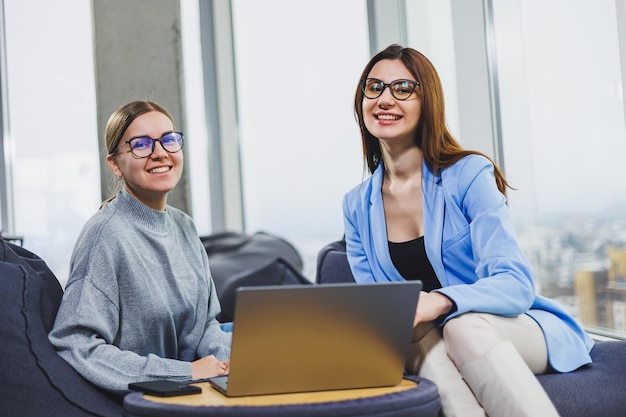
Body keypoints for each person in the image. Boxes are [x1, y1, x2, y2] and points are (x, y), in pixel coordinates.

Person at [342, 44, 594, 417]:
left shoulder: (468, 175)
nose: (384, 99)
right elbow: (383, 310)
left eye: (403, 88)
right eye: (374, 87)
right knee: (420, 340)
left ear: (428, 101)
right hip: (428, 339)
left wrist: (440, 301)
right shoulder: (355, 206)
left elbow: (515, 283)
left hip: (508, 327)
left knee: (462, 327)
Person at [49, 100, 231, 394]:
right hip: (146, 401)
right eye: (141, 145)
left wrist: (225, 362)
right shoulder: (105, 235)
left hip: (199, 395)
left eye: (169, 140)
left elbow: (205, 324)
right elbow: (76, 344)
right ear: (115, 164)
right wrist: (184, 372)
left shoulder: (185, 226)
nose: (160, 152)